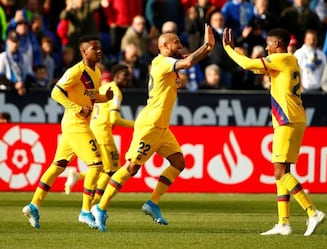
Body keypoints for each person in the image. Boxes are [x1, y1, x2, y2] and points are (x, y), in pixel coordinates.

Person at [90, 23, 215, 232]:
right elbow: (189, 61)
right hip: (150, 125)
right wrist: (206, 45)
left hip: (162, 127)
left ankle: (153, 203)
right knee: (132, 167)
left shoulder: (167, 64)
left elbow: (183, 68)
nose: (180, 44)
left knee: (178, 162)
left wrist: (201, 51)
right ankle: (100, 208)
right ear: (164, 45)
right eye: (176, 42)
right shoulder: (161, 63)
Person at [222, 27, 326, 236]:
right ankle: (283, 223)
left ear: (277, 44)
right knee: (282, 172)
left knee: (280, 171)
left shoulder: (282, 59)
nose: (266, 48)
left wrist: (228, 49)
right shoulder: (290, 60)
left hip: (287, 120)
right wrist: (242, 56)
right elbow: (255, 69)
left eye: (268, 44)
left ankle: (312, 212)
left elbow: (248, 63)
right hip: (293, 118)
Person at [22, 35, 114, 229]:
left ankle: (33, 205)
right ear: (83, 52)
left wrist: (104, 98)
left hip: (77, 125)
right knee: (97, 165)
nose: (99, 51)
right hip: (75, 124)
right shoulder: (76, 71)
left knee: (58, 166)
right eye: (94, 48)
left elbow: (89, 96)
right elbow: (55, 92)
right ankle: (85, 211)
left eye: (99, 48)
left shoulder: (96, 72)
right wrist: (77, 108)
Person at [64, 64, 135, 207]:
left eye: (128, 75)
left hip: (93, 129)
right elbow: (114, 119)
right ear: (116, 75)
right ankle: (93, 204)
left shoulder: (104, 88)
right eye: (124, 74)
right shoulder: (116, 92)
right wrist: (137, 124)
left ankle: (78, 176)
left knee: (102, 168)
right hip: (103, 133)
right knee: (112, 171)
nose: (127, 78)